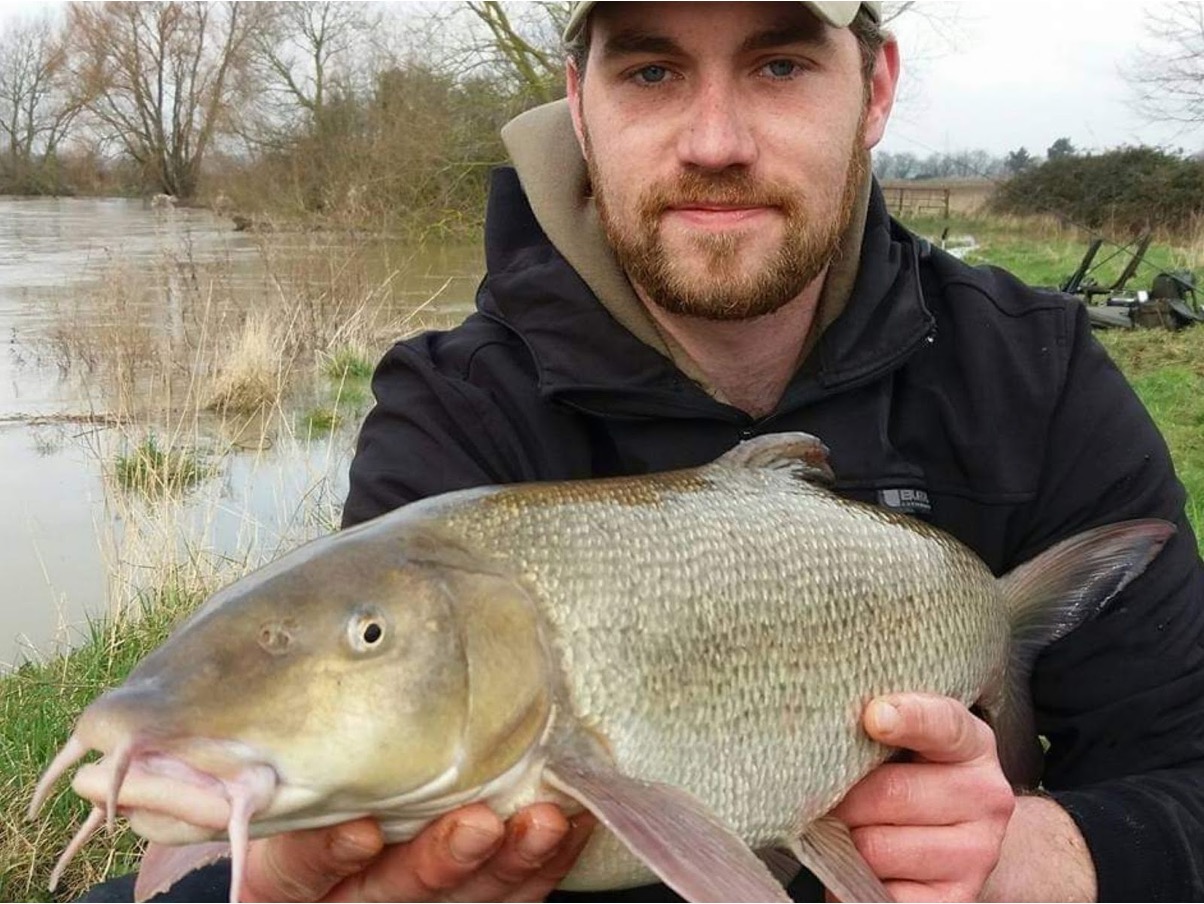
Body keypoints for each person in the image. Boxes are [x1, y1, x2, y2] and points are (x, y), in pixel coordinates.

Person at [83, 2, 1204, 902]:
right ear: (578, 98)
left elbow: (1185, 779)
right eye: (651, 71)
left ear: (874, 88)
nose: (714, 141)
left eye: (777, 64)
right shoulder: (453, 407)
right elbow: (305, 770)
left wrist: (1023, 856)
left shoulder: (1037, 371)